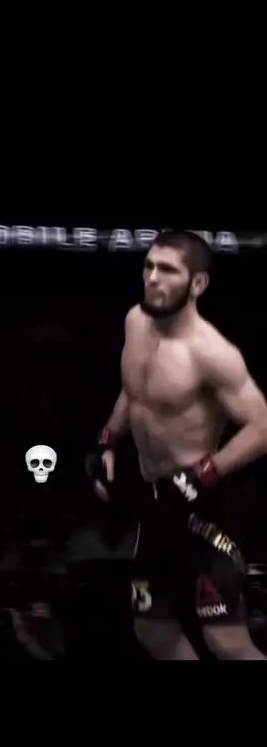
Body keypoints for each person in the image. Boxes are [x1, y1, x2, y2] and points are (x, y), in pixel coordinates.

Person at [90, 231, 267, 660]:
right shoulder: (135, 322)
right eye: (148, 266)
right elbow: (135, 391)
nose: (153, 278)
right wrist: (108, 439)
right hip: (153, 505)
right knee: (153, 630)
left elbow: (262, 426)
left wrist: (203, 474)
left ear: (198, 283)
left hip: (205, 510)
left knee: (226, 642)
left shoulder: (212, 354)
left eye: (167, 270)